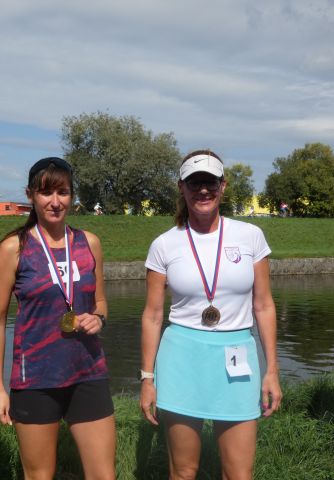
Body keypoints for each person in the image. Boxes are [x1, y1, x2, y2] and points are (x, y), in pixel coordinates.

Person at [140, 150, 281, 479]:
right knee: (184, 471)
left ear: (223, 186)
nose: (203, 190)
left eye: (210, 182)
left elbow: (263, 305)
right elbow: (152, 315)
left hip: (237, 357)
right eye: (194, 183)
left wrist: (272, 370)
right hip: (181, 359)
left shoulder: (250, 236)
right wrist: (147, 379)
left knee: (239, 473)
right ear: (182, 187)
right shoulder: (164, 244)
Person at [0, 157, 116, 479]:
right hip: (36, 378)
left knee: (103, 475)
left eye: (63, 192)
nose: (55, 202)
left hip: (88, 371)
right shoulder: (14, 248)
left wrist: (98, 318)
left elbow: (101, 302)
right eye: (46, 193)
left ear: (72, 195)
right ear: (30, 195)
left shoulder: (89, 243)